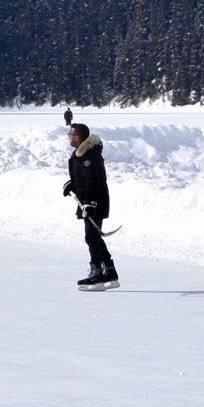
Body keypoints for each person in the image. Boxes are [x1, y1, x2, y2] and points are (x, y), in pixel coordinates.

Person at [64, 122, 118, 290]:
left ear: (78, 137)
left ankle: (97, 275)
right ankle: (110, 273)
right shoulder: (81, 154)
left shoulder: (89, 156)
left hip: (94, 202)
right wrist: (72, 184)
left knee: (91, 237)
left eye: (71, 135)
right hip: (88, 201)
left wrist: (90, 203)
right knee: (94, 237)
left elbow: (93, 181)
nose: (69, 137)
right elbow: (83, 179)